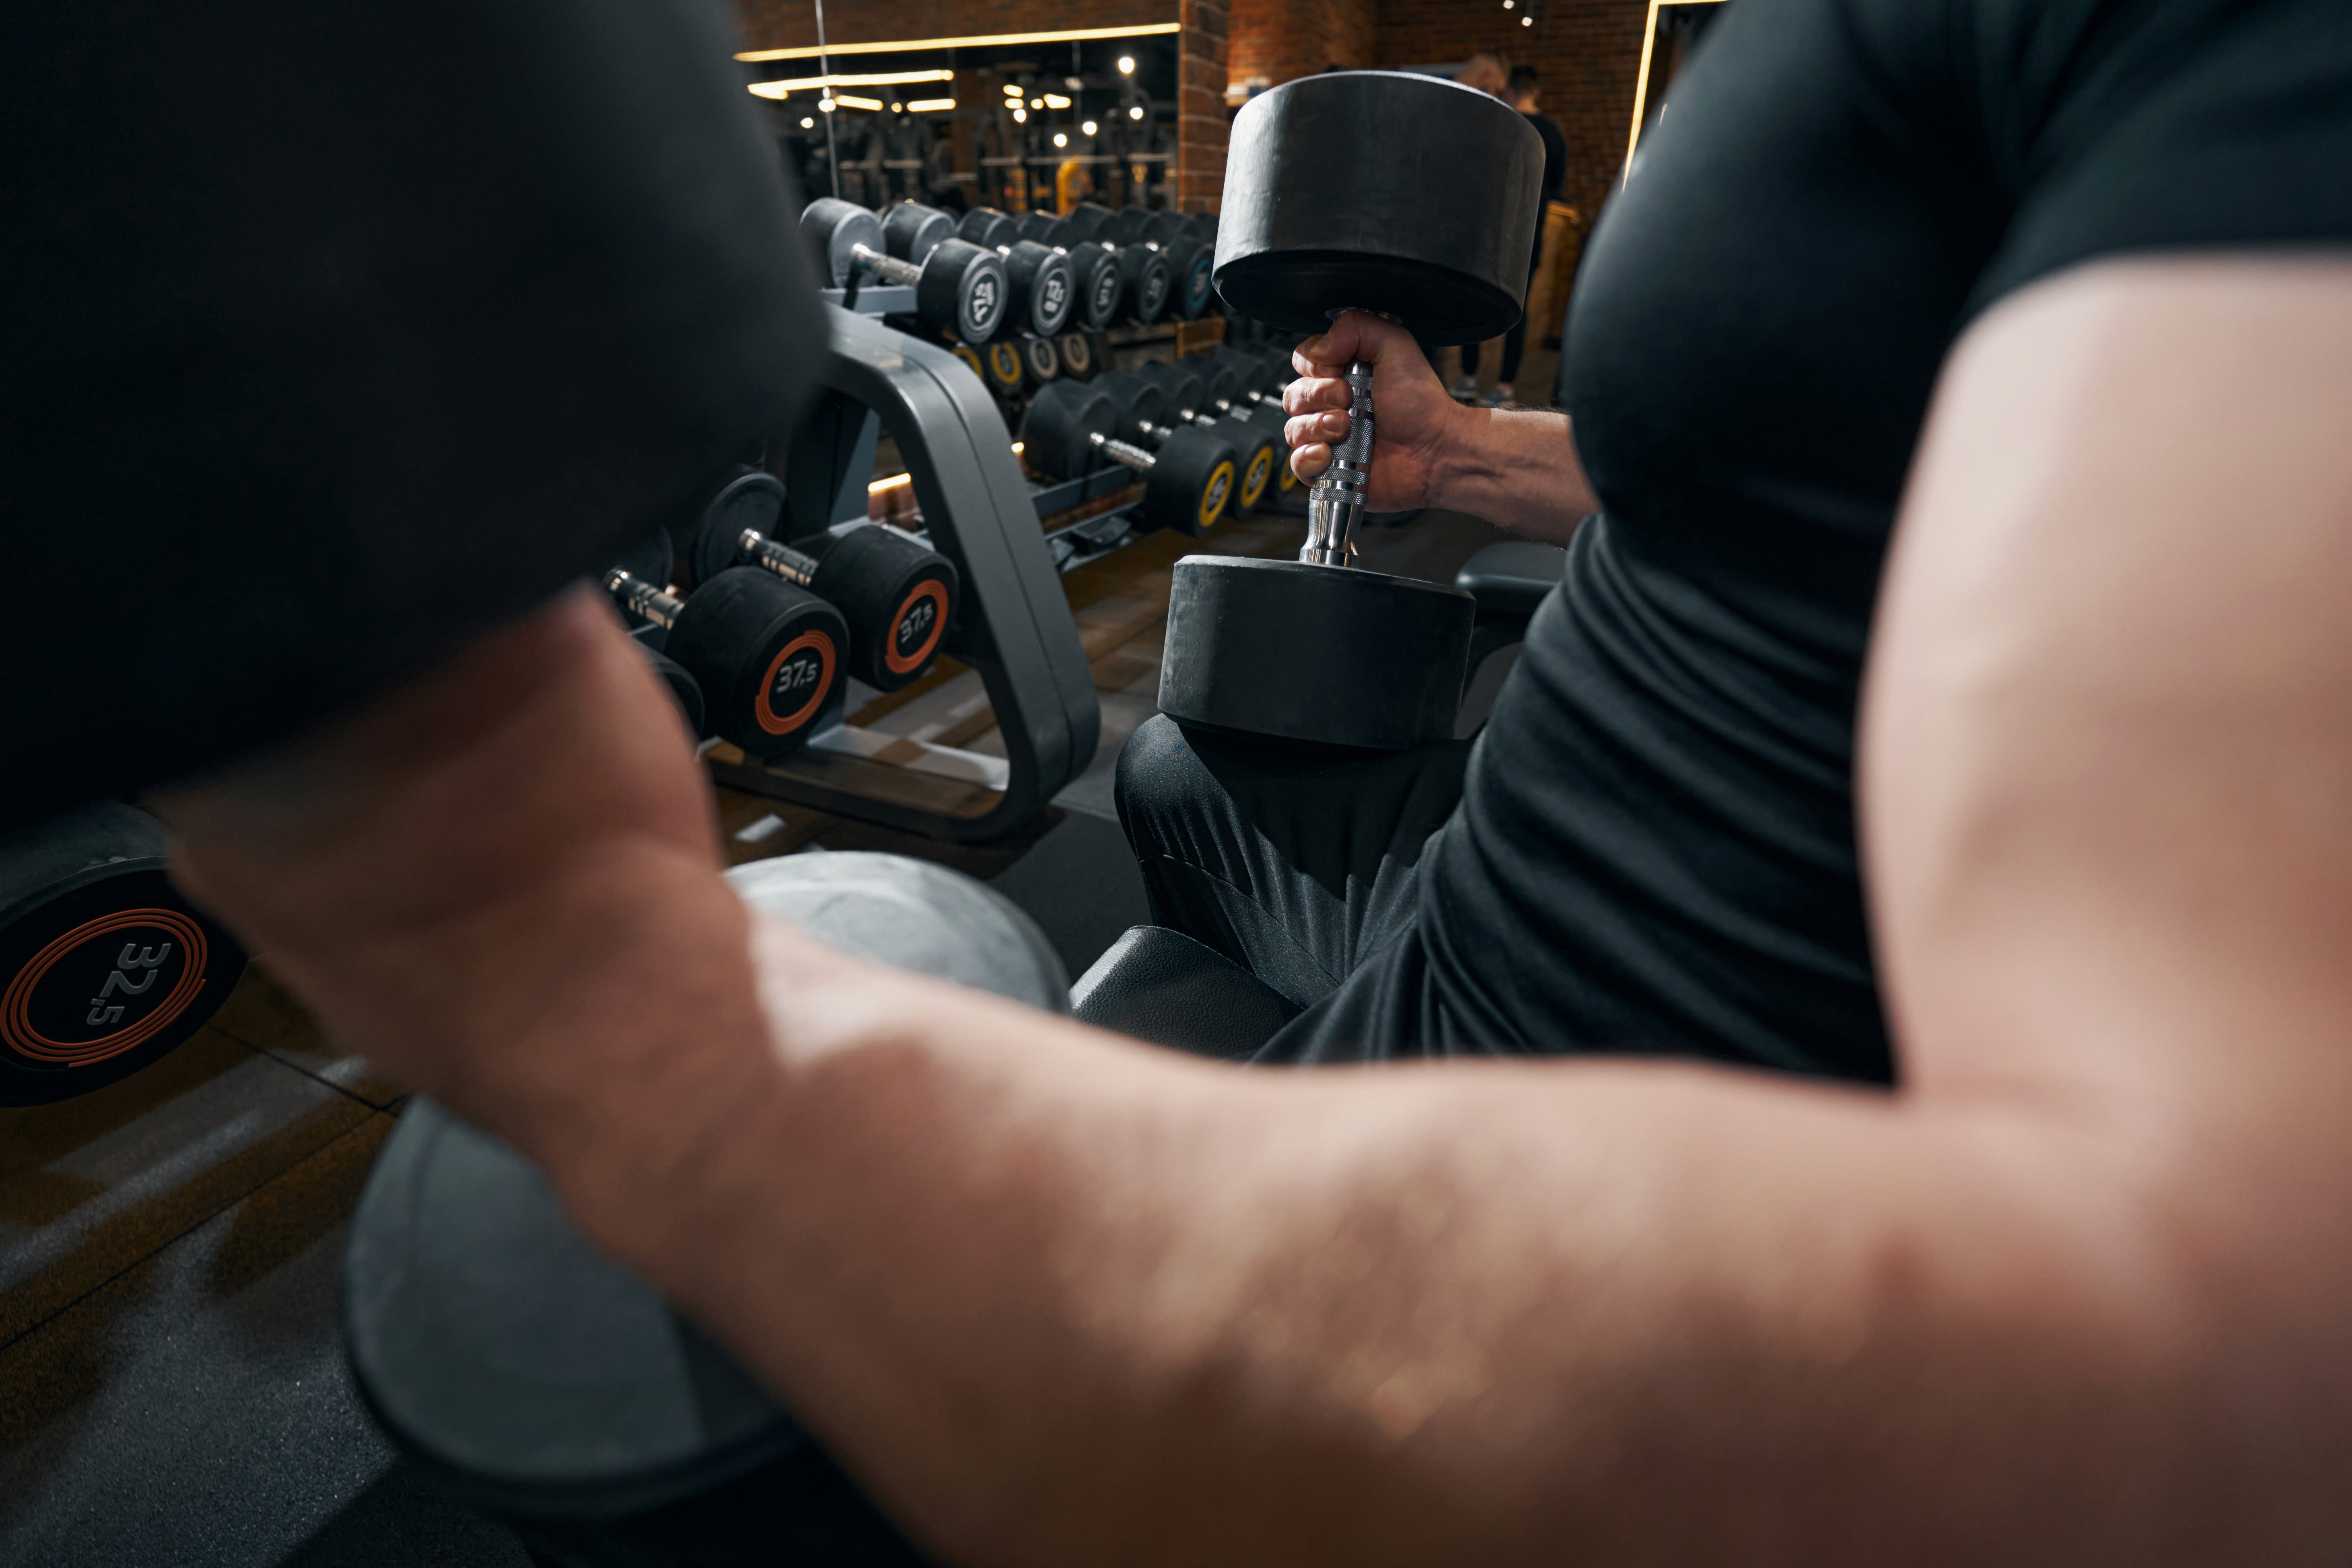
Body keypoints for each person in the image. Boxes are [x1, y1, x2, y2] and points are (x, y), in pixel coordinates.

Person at [24, 0, 2352, 1563]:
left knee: (899, 929)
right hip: (1465, 862)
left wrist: (582, 997)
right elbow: (1880, 503)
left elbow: (2222, 1380)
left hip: (1554, 1081)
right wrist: (1501, 467)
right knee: (1171, 756)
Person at [1455, 64, 1567, 405]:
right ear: (1535, 92)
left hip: (1490, 231)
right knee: (1519, 309)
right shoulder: (1554, 134)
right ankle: (1505, 388)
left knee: (1472, 299)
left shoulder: (1501, 125)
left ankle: (1468, 380)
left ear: (1511, 91)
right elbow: (1558, 188)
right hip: (1530, 234)